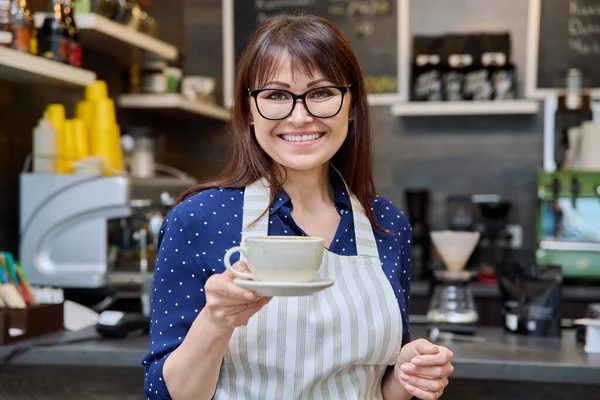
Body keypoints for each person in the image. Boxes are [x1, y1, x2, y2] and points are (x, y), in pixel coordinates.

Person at [142, 14, 454, 400]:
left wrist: (409, 371)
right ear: (249, 110)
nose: (300, 115)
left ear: (351, 104)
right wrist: (216, 320)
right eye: (276, 95)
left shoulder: (385, 223)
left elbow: (378, 388)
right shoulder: (199, 219)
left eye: (321, 93)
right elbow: (164, 393)